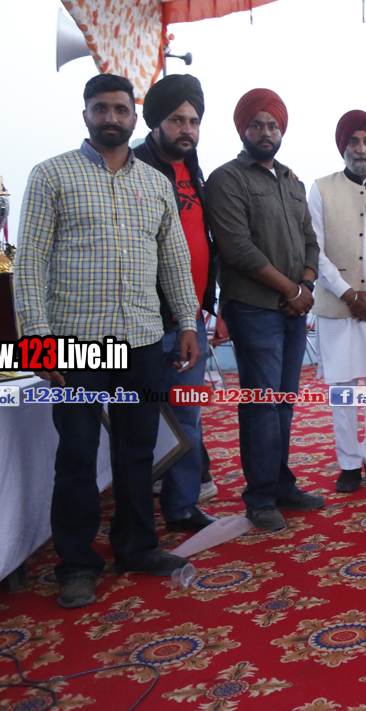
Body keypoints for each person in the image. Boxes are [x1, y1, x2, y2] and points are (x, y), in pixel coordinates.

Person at [15, 73, 200, 608]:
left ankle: (136, 547)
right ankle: (76, 564)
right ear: (86, 115)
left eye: (121, 109)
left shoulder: (155, 183)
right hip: (75, 342)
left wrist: (187, 322)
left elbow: (173, 262)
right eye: (101, 108)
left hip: (141, 339)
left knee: (137, 451)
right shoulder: (52, 175)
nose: (111, 118)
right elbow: (30, 264)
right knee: (76, 453)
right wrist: (37, 341)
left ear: (134, 117)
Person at [205, 88, 325, 531]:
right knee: (262, 403)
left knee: (284, 402)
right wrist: (292, 290)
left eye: (272, 125)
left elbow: (310, 240)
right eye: (256, 124)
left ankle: (281, 485)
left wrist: (305, 286)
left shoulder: (292, 181)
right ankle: (259, 498)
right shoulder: (227, 179)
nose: (265, 132)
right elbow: (237, 248)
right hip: (255, 308)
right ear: (243, 130)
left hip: (293, 307)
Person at [132, 73, 219, 533]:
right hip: (146, 321)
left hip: (191, 320)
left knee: (187, 413)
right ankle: (136, 514)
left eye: (194, 121)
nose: (187, 129)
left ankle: (182, 507)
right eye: (177, 119)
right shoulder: (134, 167)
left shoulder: (195, 169)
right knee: (142, 418)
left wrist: (211, 306)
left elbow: (207, 240)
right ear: (156, 122)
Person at [308, 110, 366, 493]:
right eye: (353, 141)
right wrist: (348, 294)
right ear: (343, 147)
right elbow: (314, 249)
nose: (360, 148)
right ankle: (348, 463)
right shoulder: (321, 189)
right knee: (343, 387)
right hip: (338, 306)